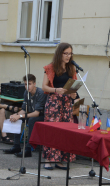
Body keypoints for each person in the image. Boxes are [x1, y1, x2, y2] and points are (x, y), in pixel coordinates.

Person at [41, 42, 78, 170]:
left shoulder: (72, 69)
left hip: (67, 103)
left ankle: (60, 159)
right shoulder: (51, 67)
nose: (68, 56)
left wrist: (73, 94)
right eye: (65, 53)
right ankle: (48, 159)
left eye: (70, 54)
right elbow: (44, 87)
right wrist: (56, 90)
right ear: (60, 54)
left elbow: (74, 86)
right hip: (54, 102)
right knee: (52, 130)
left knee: (64, 131)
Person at [2, 74, 47, 157]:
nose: (27, 86)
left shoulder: (41, 93)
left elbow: (37, 113)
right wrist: (16, 115)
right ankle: (16, 146)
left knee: (31, 120)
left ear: (34, 84)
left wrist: (20, 116)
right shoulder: (26, 92)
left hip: (42, 116)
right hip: (31, 114)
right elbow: (24, 109)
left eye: (29, 84)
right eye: (25, 84)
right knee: (16, 119)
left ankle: (28, 149)